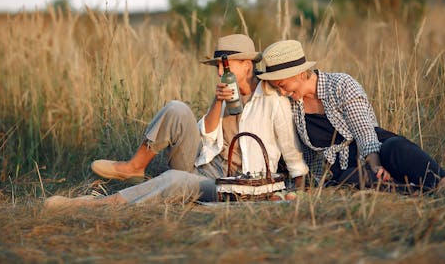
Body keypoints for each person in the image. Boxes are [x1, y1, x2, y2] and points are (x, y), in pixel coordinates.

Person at [45, 34, 308, 208]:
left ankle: (96, 205)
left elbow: (291, 149)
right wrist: (217, 102)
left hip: (234, 181)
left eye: (225, 66)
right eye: (217, 66)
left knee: (173, 180)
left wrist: (299, 188)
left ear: (247, 65)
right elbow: (205, 138)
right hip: (202, 165)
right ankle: (135, 166)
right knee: (177, 108)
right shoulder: (225, 92)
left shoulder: (272, 99)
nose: (219, 71)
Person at [256, 39, 445, 195]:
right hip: (341, 169)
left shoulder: (340, 85)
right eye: (278, 88)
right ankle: (415, 192)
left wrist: (375, 165)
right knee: (350, 179)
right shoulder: (292, 104)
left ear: (301, 74)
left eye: (283, 85)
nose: (282, 92)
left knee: (396, 148)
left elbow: (365, 133)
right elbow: (305, 153)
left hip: (372, 151)